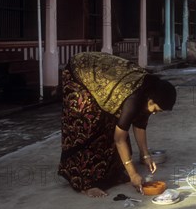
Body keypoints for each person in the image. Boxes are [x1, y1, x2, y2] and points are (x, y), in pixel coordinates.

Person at [58, 52, 177, 198]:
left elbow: (140, 124)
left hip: (102, 79)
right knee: (90, 124)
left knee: (113, 123)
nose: (155, 113)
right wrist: (133, 174)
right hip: (79, 73)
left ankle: (111, 174)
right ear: (150, 100)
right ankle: (85, 183)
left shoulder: (148, 90)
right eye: (156, 110)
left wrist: (146, 155)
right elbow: (119, 139)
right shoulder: (133, 100)